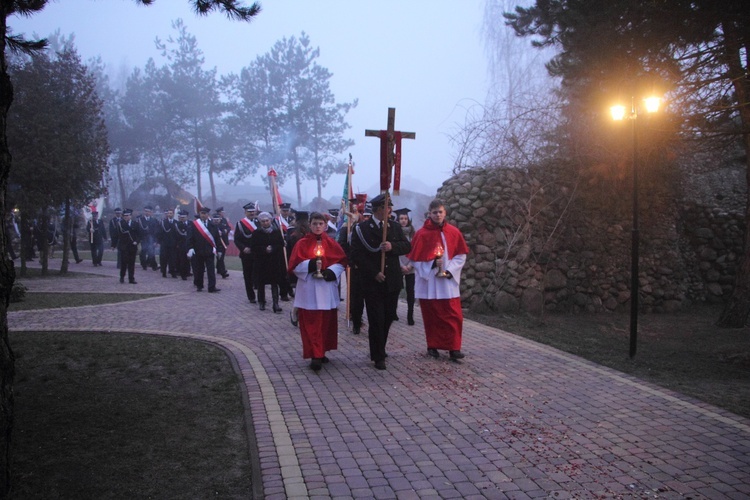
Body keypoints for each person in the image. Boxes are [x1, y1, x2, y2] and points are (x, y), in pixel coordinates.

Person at [350, 193, 411, 370]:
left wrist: (392, 247)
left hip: (392, 280)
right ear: (378, 209)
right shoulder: (362, 228)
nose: (390, 211)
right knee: (376, 319)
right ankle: (377, 355)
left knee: (389, 316)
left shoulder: (394, 226)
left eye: (390, 207)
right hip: (372, 281)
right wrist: (374, 272)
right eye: (386, 208)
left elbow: (407, 246)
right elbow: (356, 254)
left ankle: (380, 347)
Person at [407, 198, 469, 361]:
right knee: (432, 316)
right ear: (429, 214)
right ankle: (432, 346)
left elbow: (461, 255)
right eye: (435, 213)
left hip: (448, 282)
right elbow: (414, 259)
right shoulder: (421, 234)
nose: (438, 215)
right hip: (430, 283)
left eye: (440, 212)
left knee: (454, 315)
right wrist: (431, 264)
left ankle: (454, 348)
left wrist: (449, 270)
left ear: (445, 212)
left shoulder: (454, 232)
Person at [288, 212, 348, 371]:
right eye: (314, 224)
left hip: (326, 288)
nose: (317, 226)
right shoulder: (301, 243)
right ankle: (315, 354)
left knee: (325, 323)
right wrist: (310, 264)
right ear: (310, 224)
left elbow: (341, 261)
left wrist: (331, 271)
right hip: (309, 289)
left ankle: (321, 351)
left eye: (320, 224)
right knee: (311, 324)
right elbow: (294, 266)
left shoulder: (332, 243)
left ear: (325, 225)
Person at [251, 212, 286, 312]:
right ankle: (262, 302)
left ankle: (276, 303)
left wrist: (273, 248)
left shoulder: (276, 232)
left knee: (275, 283)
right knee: (261, 283)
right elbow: (253, 247)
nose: (265, 223)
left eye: (267, 221)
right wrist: (264, 249)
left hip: (274, 261)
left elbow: (281, 244)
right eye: (263, 221)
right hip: (261, 262)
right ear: (260, 222)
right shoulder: (256, 233)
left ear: (270, 221)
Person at [187, 206, 221, 293]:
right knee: (199, 269)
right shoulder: (194, 225)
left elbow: (217, 238)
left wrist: (219, 249)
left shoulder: (213, 225)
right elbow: (190, 237)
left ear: (208, 215)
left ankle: (212, 287)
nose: (203, 215)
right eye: (201, 213)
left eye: (204, 213)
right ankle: (199, 285)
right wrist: (190, 248)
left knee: (211, 270)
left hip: (209, 251)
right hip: (198, 250)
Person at [395, 208, 417, 325]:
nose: (403, 221)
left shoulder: (413, 234)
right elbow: (395, 251)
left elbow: (416, 251)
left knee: (410, 291)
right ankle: (394, 312)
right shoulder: (394, 233)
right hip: (399, 265)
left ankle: (410, 315)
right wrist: (401, 266)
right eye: (401, 219)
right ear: (398, 220)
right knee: (396, 290)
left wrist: (410, 265)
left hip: (411, 266)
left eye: (405, 218)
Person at [234, 202, 259, 303]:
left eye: (253, 211)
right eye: (249, 212)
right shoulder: (240, 224)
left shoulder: (259, 222)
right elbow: (237, 239)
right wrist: (243, 248)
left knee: (258, 274)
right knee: (247, 276)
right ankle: (251, 296)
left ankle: (261, 295)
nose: (252, 213)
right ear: (245, 212)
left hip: (258, 253)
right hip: (246, 254)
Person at [118, 209, 141, 284]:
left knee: (132, 263)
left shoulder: (135, 224)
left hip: (132, 246)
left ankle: (131, 278)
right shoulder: (120, 224)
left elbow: (139, 235)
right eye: (125, 216)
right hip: (124, 246)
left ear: (130, 216)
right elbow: (117, 235)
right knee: (124, 262)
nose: (126, 217)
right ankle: (122, 276)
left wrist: (136, 241)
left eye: (127, 215)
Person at [137, 205, 158, 271]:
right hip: (143, 238)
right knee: (143, 252)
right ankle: (144, 265)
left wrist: (155, 240)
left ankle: (153, 265)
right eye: (146, 211)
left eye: (149, 212)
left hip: (151, 239)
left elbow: (156, 231)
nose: (147, 213)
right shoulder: (140, 220)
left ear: (151, 212)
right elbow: (138, 230)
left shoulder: (154, 220)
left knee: (151, 252)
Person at [158, 208, 178, 278]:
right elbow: (160, 232)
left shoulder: (176, 222)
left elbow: (177, 234)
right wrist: (159, 242)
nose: (169, 214)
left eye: (171, 213)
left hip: (173, 244)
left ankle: (172, 272)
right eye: (168, 213)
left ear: (173, 214)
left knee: (172, 259)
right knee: (164, 258)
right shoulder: (163, 222)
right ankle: (164, 272)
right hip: (165, 243)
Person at [174, 210, 192, 280]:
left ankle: (188, 271)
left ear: (187, 217)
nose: (182, 218)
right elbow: (180, 234)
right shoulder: (178, 224)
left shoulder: (191, 223)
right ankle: (183, 274)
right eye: (181, 217)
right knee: (183, 259)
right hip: (182, 244)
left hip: (190, 244)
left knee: (189, 259)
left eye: (184, 217)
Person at [212, 212, 230, 279]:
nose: (216, 221)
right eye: (215, 219)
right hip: (213, 244)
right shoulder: (211, 225)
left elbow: (228, 228)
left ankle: (222, 271)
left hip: (222, 244)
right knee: (217, 258)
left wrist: (224, 232)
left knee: (221, 258)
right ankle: (222, 271)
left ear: (220, 219)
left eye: (218, 219)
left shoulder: (223, 224)